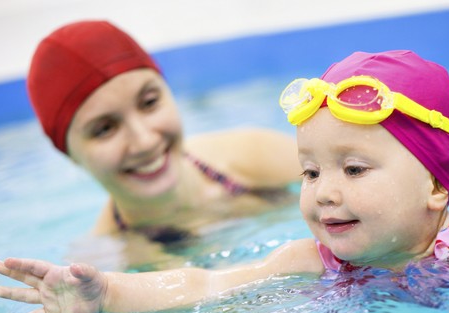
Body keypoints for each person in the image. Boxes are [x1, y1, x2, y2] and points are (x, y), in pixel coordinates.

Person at [0, 50, 449, 313]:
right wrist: (110, 296)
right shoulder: (309, 258)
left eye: (354, 170)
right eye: (309, 173)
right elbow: (207, 282)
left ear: (436, 185)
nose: (322, 194)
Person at [26, 20, 301, 248]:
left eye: (149, 103)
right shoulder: (105, 265)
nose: (144, 141)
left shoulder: (257, 154)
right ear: (70, 154)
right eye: (105, 129)